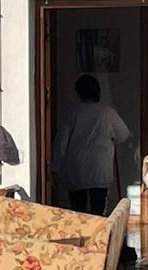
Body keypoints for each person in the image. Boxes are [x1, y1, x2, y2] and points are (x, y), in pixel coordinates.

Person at [51, 74, 130, 217]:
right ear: (97, 91)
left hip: (77, 169)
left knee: (78, 212)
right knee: (98, 212)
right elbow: (123, 134)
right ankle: (98, 238)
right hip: (100, 168)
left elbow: (61, 142)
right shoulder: (107, 112)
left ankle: (81, 237)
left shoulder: (72, 113)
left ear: (78, 93)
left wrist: (54, 167)